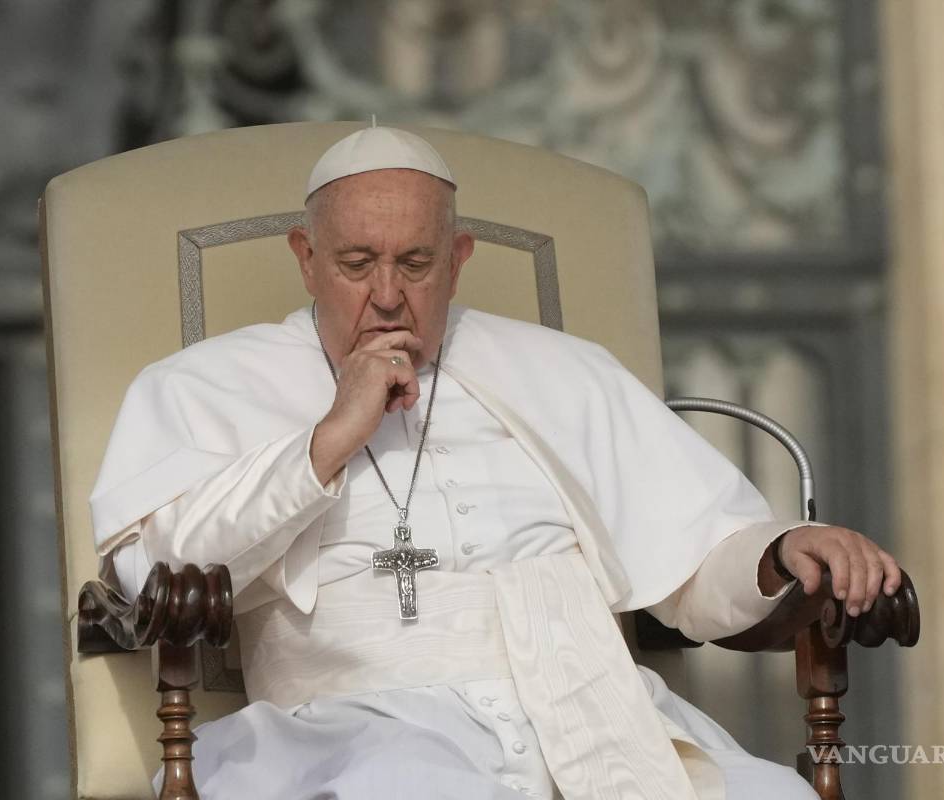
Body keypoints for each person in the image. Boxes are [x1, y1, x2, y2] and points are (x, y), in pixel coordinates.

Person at [90, 126, 901, 800]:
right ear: (305, 257)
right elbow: (154, 569)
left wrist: (779, 552)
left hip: (594, 715)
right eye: (355, 263)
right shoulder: (205, 386)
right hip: (357, 731)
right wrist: (329, 437)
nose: (385, 294)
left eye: (414, 263)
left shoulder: (564, 371)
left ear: (459, 257)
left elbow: (692, 558)